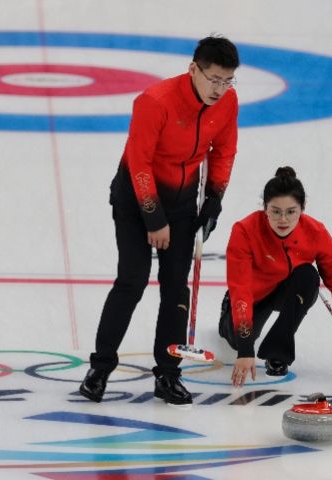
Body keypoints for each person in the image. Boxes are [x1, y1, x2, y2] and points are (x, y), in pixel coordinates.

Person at [79, 36, 240, 406]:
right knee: (132, 280)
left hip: (183, 203)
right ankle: (100, 368)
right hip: (137, 200)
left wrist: (214, 197)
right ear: (193, 69)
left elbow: (224, 150)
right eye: (213, 79)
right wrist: (153, 218)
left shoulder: (227, 103)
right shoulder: (155, 102)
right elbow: (139, 162)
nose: (220, 89)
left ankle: (168, 374)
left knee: (175, 288)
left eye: (227, 80)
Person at [219, 167, 332, 387]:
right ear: (265, 209)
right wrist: (245, 348)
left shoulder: (315, 233)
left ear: (302, 209)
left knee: (309, 277)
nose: (283, 219)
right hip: (254, 296)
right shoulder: (244, 231)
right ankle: (227, 313)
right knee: (236, 340)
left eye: (291, 211)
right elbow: (240, 287)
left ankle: (277, 352)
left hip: (287, 291)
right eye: (275, 211)